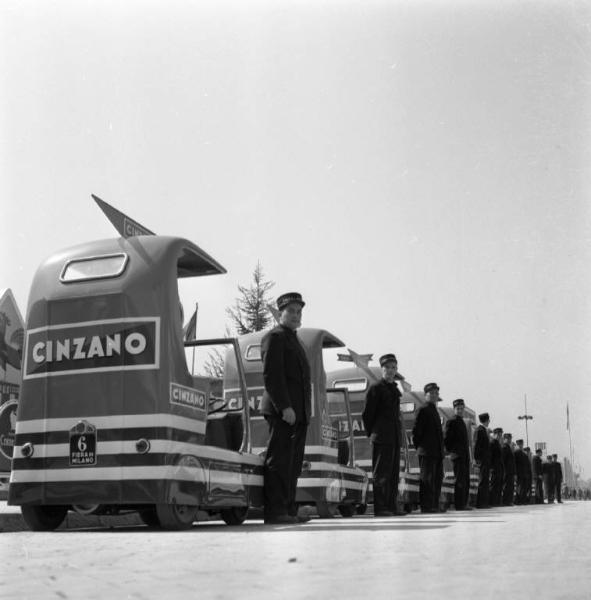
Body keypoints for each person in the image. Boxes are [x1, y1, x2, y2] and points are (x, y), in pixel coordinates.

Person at [260, 292, 311, 525]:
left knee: (293, 463)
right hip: (283, 411)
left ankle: (289, 509)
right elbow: (272, 376)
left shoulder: (293, 339)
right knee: (279, 461)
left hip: (297, 414)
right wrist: (285, 407)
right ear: (280, 313)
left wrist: (302, 412)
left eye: (299, 311)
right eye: (291, 311)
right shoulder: (276, 337)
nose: (296, 315)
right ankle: (275, 511)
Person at [362, 353, 406, 517]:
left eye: (393, 367)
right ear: (381, 369)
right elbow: (367, 414)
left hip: (394, 437)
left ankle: (391, 506)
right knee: (381, 474)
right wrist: (373, 433)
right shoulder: (376, 388)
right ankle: (381, 507)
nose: (390, 370)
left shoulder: (394, 390)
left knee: (393, 474)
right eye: (387, 367)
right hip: (381, 436)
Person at [412, 382, 444, 513]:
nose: (435, 395)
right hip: (426, 451)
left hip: (436, 452)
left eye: (436, 393)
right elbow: (416, 432)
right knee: (427, 479)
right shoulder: (423, 409)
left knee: (437, 479)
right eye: (432, 393)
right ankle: (426, 506)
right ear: (425, 395)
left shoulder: (434, 410)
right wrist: (420, 448)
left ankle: (434, 505)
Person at [444, 398, 472, 510]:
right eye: (458, 408)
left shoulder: (462, 421)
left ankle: (464, 503)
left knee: (465, 480)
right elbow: (447, 439)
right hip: (457, 455)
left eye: (461, 408)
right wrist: (452, 452)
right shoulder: (452, 421)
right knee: (459, 480)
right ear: (454, 409)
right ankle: (459, 505)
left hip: (464, 456)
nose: (460, 410)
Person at [473, 412, 491, 509]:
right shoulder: (480, 430)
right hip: (482, 460)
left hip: (485, 460)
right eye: (488, 420)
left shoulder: (483, 430)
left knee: (485, 481)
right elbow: (476, 445)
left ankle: (484, 502)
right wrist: (477, 460)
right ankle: (480, 503)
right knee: (482, 481)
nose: (489, 422)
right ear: (486, 420)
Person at [489, 427, 504, 507]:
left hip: (499, 468)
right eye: (498, 435)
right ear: (494, 434)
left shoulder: (498, 444)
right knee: (494, 485)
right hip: (494, 468)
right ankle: (493, 502)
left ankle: (497, 501)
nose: (499, 436)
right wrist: (491, 467)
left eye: (500, 435)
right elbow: (490, 456)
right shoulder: (492, 443)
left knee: (499, 485)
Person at [501, 433, 516, 506]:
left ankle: (509, 501)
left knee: (510, 486)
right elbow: (503, 460)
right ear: (505, 439)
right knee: (507, 486)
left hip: (510, 471)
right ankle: (506, 501)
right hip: (507, 471)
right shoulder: (504, 447)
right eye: (508, 438)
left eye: (510, 438)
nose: (510, 440)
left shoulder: (508, 447)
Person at [514, 439, 529, 505]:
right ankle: (518, 501)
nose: (520, 446)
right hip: (519, 473)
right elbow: (514, 464)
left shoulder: (524, 454)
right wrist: (515, 473)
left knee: (524, 487)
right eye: (519, 444)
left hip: (524, 473)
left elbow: (527, 465)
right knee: (519, 487)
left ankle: (523, 500)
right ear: (517, 445)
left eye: (521, 444)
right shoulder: (515, 453)